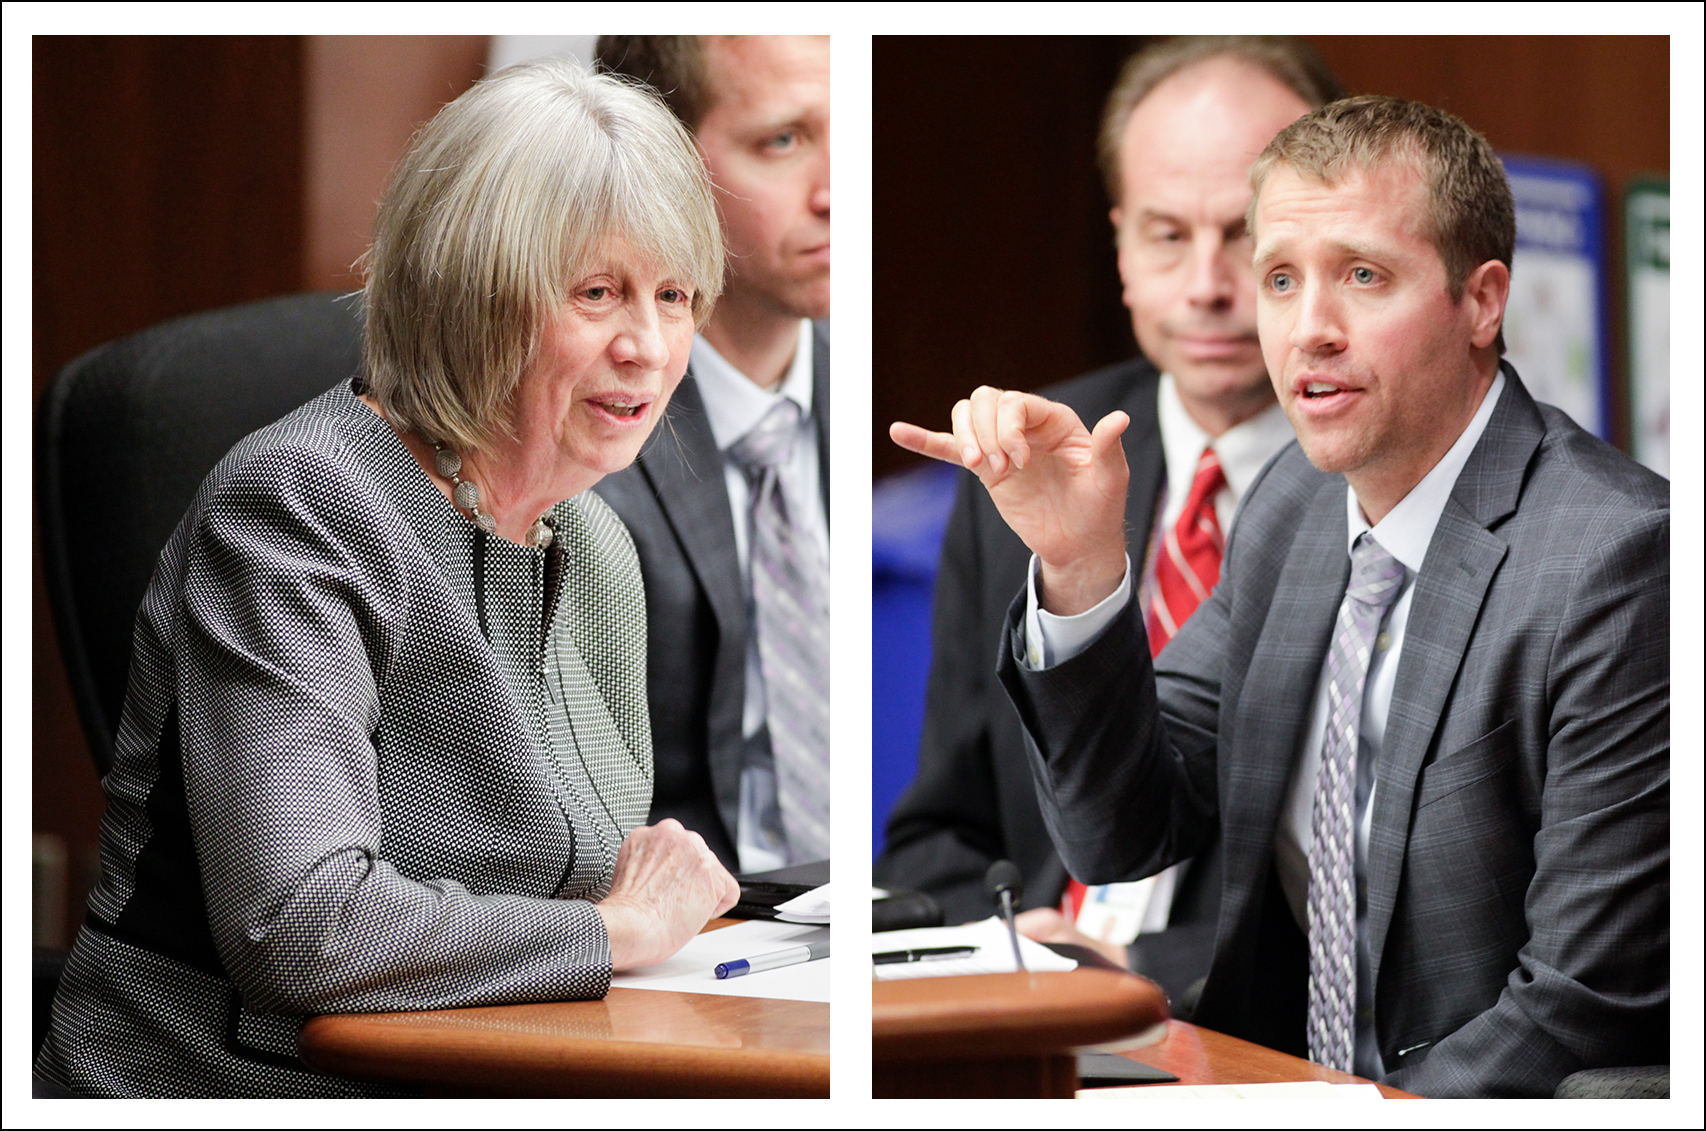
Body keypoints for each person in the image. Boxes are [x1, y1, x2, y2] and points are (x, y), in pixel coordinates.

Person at [891, 95, 1668, 1097]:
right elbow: (1120, 835)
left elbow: (1575, 1006)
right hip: (1260, 1079)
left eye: (1361, 277)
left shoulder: (1617, 557)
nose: (1309, 331)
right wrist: (1081, 566)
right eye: (1281, 280)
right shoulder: (1293, 506)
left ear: (1481, 302)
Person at [35, 60, 742, 1098]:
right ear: (467, 292)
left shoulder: (593, 546)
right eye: (596, 294)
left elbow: (582, 889)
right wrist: (612, 930)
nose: (646, 346)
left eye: (672, 296)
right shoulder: (298, 507)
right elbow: (304, 925)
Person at [875, 38, 1339, 1000]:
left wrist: (1144, 971)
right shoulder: (1025, 464)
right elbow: (940, 833)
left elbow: (1409, 899)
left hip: (1245, 1033)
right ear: (1122, 244)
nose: (1209, 285)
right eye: (1168, 235)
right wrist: (1005, 950)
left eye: (1248, 237)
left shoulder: (1382, 489)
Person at [593, 36, 831, 873]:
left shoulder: (872, 392)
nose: (840, 192)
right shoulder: (585, 431)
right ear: (660, 160)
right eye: (784, 141)